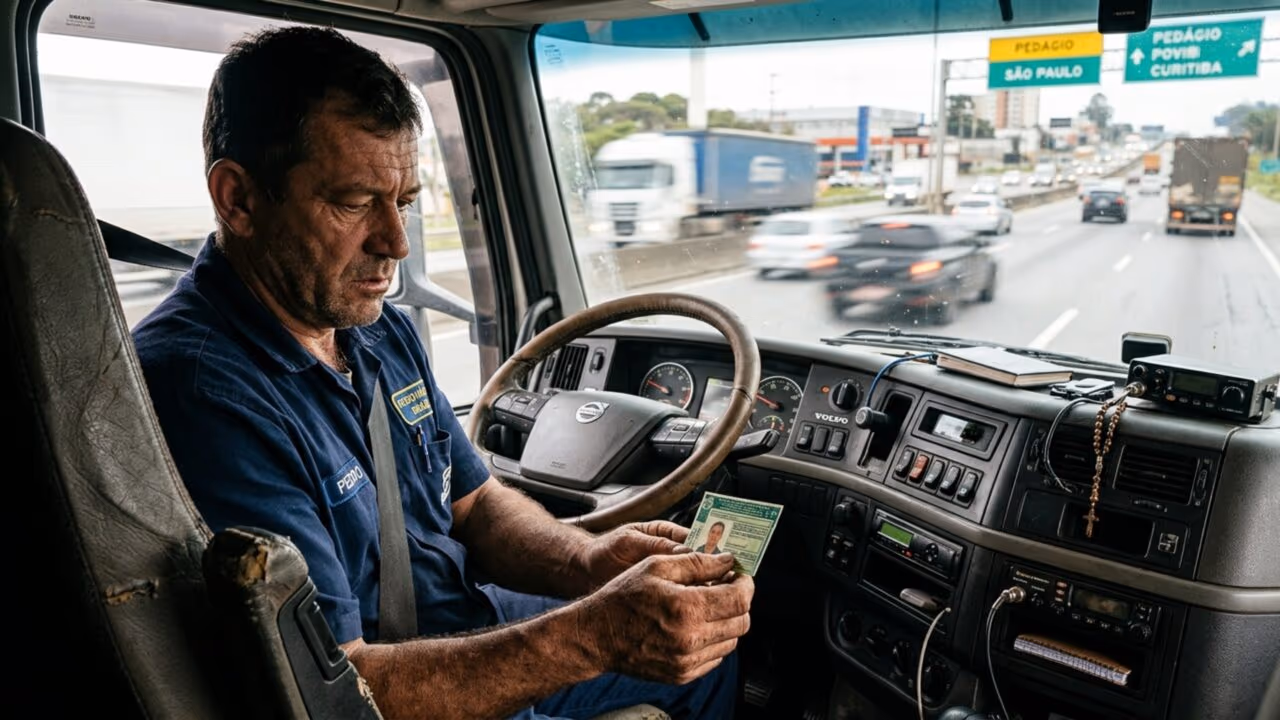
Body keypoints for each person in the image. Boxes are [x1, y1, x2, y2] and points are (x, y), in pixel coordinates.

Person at [132, 26, 752, 720]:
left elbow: (476, 504)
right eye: (353, 202)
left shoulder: (376, 327)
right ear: (239, 198)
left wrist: (589, 562)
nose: (395, 242)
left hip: (461, 619)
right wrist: (591, 634)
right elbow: (335, 689)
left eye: (402, 202)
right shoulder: (202, 391)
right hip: (399, 686)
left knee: (704, 658)